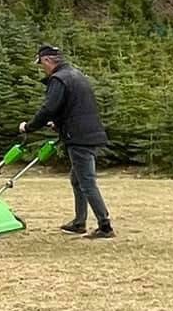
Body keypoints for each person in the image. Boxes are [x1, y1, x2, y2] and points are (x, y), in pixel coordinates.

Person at [21, 45, 113, 238]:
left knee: (86, 181)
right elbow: (75, 107)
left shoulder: (59, 79)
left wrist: (29, 127)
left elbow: (48, 108)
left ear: (47, 60)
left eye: (41, 64)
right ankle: (79, 222)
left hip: (79, 137)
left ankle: (105, 226)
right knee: (77, 179)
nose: (42, 68)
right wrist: (59, 123)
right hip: (87, 133)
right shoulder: (76, 75)